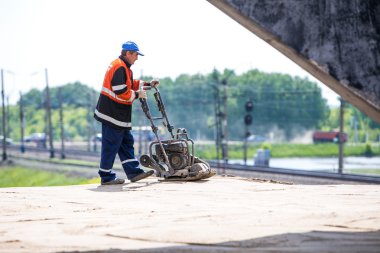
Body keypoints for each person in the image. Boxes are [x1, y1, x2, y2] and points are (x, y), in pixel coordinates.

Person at [94, 41, 158, 185]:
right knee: (111, 145)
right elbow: (121, 91)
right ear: (128, 53)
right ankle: (106, 177)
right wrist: (137, 95)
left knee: (126, 143)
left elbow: (130, 83)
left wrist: (147, 85)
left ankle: (134, 172)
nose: (137, 58)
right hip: (112, 115)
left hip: (118, 116)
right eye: (136, 55)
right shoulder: (119, 67)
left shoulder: (123, 67)